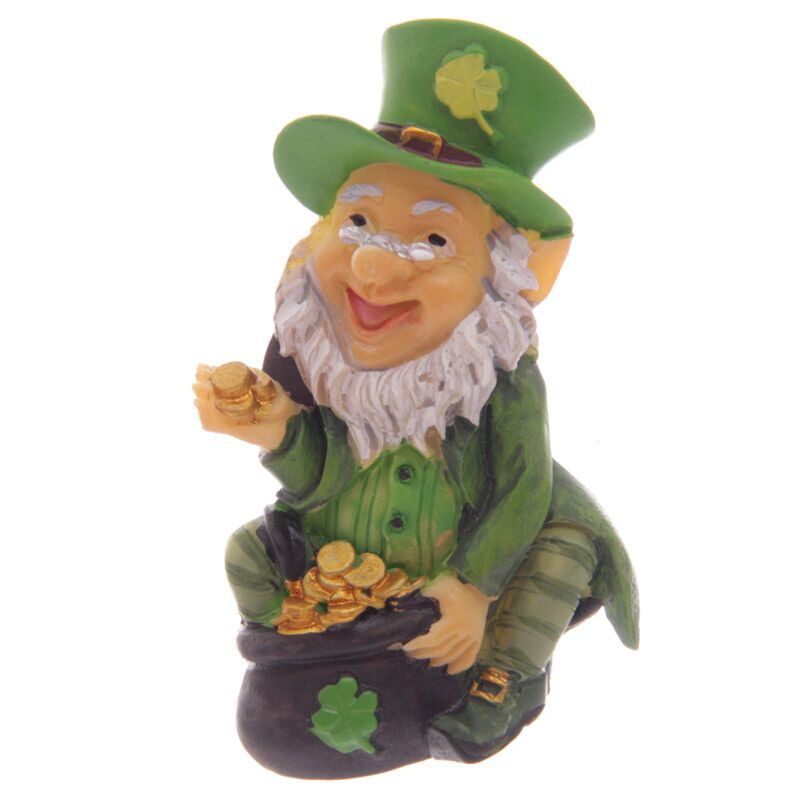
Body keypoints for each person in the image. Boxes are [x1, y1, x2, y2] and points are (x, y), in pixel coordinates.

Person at [194, 19, 638, 762]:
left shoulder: (498, 380)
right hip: (356, 557)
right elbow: (325, 470)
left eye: (433, 241)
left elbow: (520, 489)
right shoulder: (318, 357)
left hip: (468, 560)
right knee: (249, 553)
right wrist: (278, 431)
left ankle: (504, 678)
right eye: (358, 222)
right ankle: (307, 648)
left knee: (559, 554)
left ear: (502, 275)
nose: (373, 270)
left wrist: (472, 586)